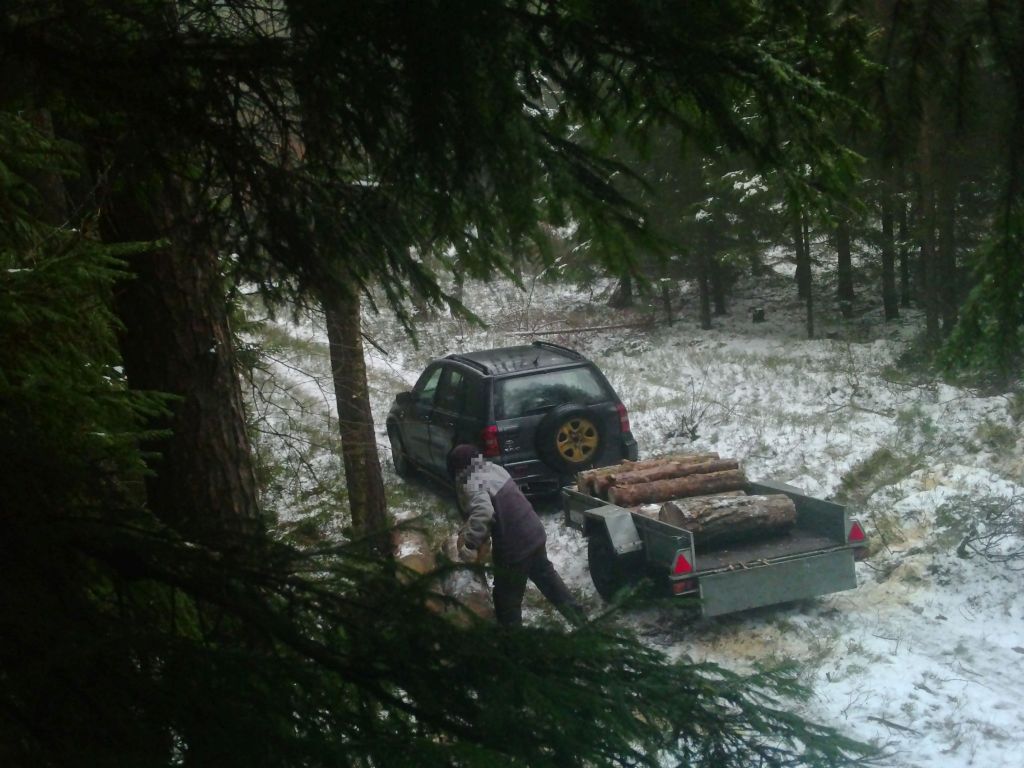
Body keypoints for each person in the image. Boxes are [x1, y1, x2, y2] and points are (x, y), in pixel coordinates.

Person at [447, 444, 585, 627]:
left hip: (515, 547)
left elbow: (484, 511)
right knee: (549, 581)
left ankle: (513, 645)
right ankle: (582, 622)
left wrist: (470, 544)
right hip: (533, 532)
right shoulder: (494, 469)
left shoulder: (473, 482)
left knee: (506, 600)